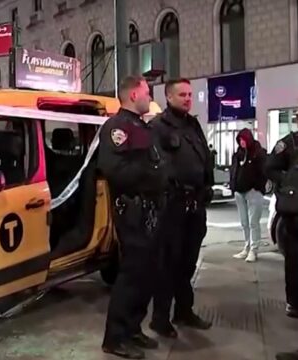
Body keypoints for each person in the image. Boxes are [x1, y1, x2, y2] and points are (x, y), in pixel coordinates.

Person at [99, 75, 168, 359]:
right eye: (147, 92)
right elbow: (115, 170)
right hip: (133, 209)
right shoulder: (117, 128)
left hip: (150, 209)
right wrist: (152, 176)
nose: (149, 97)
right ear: (133, 95)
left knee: (147, 272)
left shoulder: (141, 125)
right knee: (131, 274)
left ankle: (132, 328)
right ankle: (115, 338)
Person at [149, 78, 214, 339]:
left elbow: (204, 159)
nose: (188, 98)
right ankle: (160, 318)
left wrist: (207, 186)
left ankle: (184, 311)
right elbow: (156, 165)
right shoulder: (158, 126)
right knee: (168, 264)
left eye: (190, 94)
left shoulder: (193, 124)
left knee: (188, 263)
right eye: (182, 94)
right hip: (173, 206)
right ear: (169, 97)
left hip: (195, 205)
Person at [265, 132, 298, 319]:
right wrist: (289, 181)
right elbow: (270, 167)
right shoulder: (289, 143)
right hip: (294, 214)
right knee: (294, 260)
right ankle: (294, 302)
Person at [229, 128, 268, 262]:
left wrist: (258, 187)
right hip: (239, 192)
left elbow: (264, 171)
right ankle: (247, 246)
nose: (242, 142)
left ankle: (254, 249)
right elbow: (233, 170)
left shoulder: (258, 153)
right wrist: (233, 185)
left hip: (253, 191)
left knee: (253, 222)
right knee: (244, 222)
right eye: (240, 140)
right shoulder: (238, 154)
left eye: (244, 139)